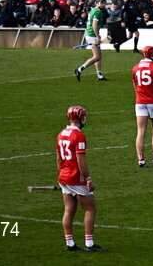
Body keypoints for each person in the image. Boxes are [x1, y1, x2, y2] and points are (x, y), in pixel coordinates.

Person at [57, 106, 104, 252]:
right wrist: (88, 179)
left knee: (69, 210)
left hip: (64, 176)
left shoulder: (60, 134)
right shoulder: (79, 136)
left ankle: (69, 243)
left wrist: (62, 176)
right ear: (82, 118)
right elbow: (80, 161)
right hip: (76, 178)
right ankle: (89, 243)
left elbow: (58, 159)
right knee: (90, 209)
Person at [75, 0, 108, 81]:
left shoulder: (93, 10)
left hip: (90, 34)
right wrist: (97, 36)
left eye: (104, 3)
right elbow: (94, 25)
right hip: (92, 35)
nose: (104, 5)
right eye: (102, 3)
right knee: (97, 56)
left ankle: (99, 75)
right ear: (98, 3)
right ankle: (79, 69)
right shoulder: (97, 12)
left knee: (98, 56)